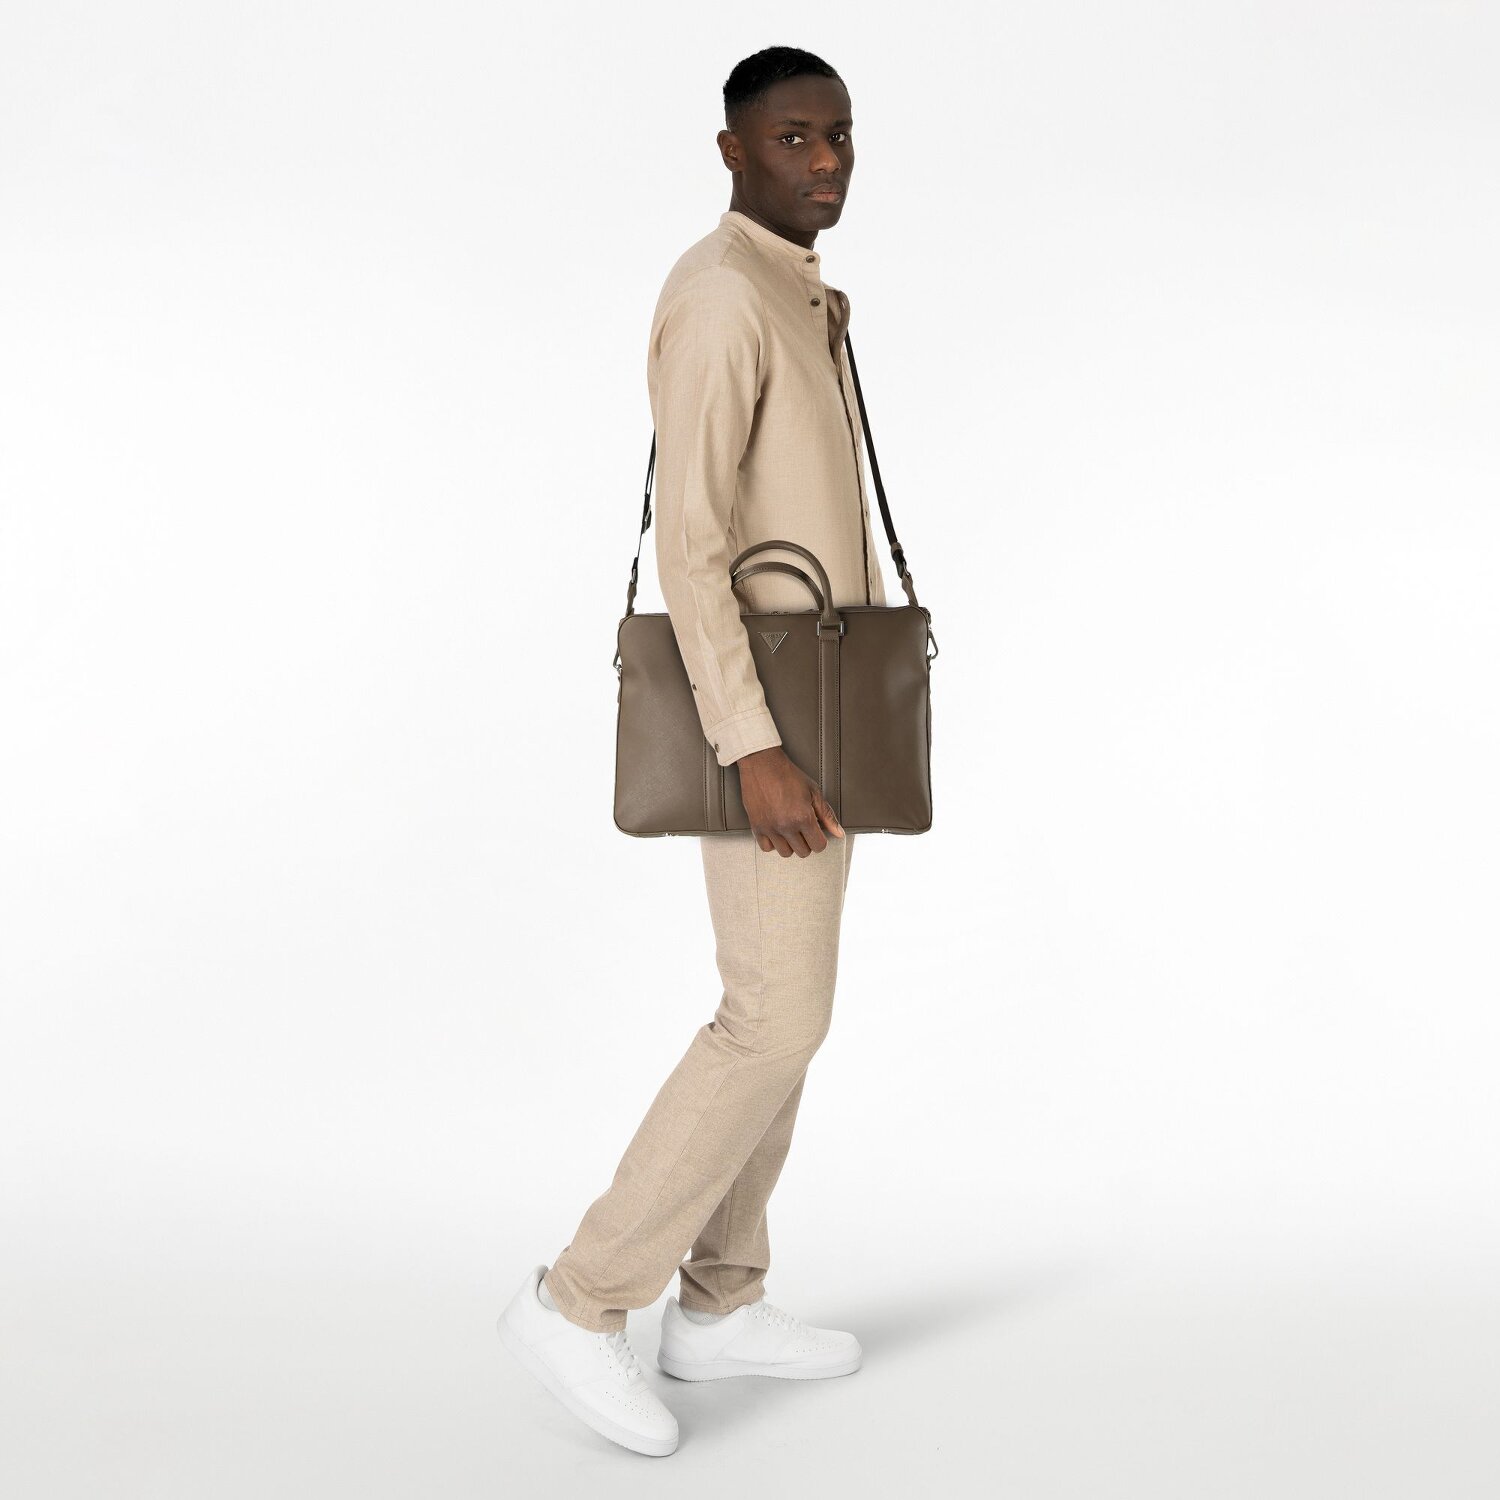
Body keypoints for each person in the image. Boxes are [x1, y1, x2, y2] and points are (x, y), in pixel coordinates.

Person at [497, 45, 890, 1458]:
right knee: (770, 1017)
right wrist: (754, 746)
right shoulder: (723, 296)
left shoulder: (795, 290)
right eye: (793, 139)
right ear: (731, 150)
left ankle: (720, 1302)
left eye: (840, 136)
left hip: (820, 708)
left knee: (792, 1007)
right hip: (768, 720)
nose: (825, 162)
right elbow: (694, 542)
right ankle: (581, 1297)